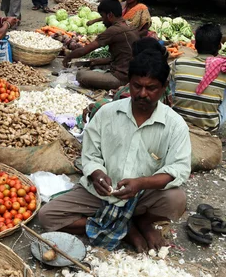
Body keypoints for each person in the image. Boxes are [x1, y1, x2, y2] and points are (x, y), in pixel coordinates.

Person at [39, 49, 191, 253]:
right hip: (100, 193)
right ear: (129, 82)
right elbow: (90, 154)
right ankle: (125, 228)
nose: (143, 94)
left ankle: (144, 222)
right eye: (137, 86)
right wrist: (97, 174)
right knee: (47, 216)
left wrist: (141, 183)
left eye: (151, 88)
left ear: (164, 88)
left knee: (176, 199)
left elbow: (178, 169)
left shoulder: (175, 125)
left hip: (142, 196)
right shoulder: (107, 113)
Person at [63, 0, 140, 90]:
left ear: (110, 15)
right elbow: (124, 56)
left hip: (121, 78)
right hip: (132, 73)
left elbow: (84, 50)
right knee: (95, 63)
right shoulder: (129, 26)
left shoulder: (114, 30)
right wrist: (98, 61)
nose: (103, 21)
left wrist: (68, 57)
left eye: (103, 17)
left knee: (81, 75)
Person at [172, 23, 226, 133]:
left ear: (195, 45)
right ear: (219, 46)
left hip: (177, 121)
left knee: (176, 82)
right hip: (210, 126)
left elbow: (171, 91)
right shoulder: (223, 67)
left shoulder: (178, 63)